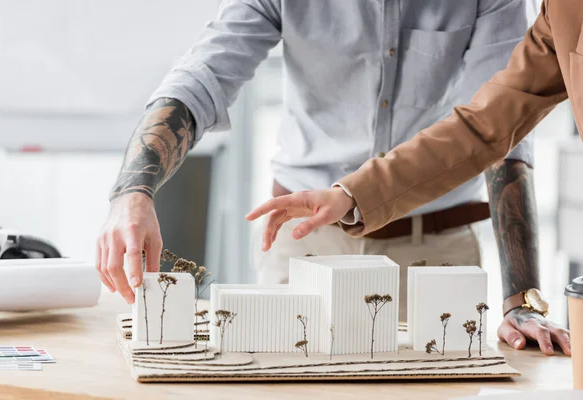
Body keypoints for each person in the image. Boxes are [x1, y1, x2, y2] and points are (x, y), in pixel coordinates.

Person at [96, 0, 563, 355]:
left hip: (437, 257)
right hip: (303, 243)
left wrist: (521, 297)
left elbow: (502, 130)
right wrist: (132, 190)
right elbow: (202, 76)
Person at [247, 0, 578, 355]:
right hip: (317, 237)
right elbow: (484, 129)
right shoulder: (563, 11)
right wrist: (352, 195)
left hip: (439, 243)